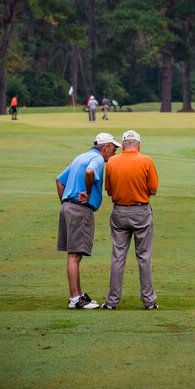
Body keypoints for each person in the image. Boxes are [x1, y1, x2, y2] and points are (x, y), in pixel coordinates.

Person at [56, 132, 121, 310]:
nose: (114, 152)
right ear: (105, 147)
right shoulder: (98, 160)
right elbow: (89, 172)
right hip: (79, 209)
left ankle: (78, 295)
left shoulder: (81, 156)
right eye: (113, 148)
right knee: (75, 255)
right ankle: (75, 299)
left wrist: (65, 203)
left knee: (74, 254)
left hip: (67, 208)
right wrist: (88, 192)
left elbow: (60, 181)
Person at [102, 130, 159, 310]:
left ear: (123, 145)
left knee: (118, 257)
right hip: (141, 211)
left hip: (119, 211)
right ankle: (149, 301)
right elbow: (153, 189)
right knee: (144, 257)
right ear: (138, 145)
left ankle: (112, 302)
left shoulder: (112, 161)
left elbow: (109, 190)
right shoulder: (146, 161)